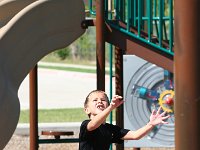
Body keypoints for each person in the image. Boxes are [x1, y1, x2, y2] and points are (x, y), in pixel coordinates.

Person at [79, 90, 170, 150]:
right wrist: (111, 107)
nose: (99, 101)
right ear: (87, 109)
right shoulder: (86, 125)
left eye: (103, 100)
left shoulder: (111, 129)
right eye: (95, 100)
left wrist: (151, 124)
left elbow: (135, 135)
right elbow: (94, 125)